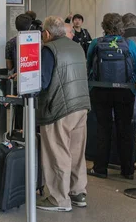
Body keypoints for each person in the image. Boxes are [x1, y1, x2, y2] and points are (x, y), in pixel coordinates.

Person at [35, 18, 90, 212]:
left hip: (58, 107)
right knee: (76, 152)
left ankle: (59, 199)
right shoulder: (77, 47)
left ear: (48, 34)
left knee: (57, 153)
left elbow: (42, 81)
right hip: (81, 105)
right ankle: (78, 192)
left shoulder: (49, 50)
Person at [87, 13, 136, 180]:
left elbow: (88, 65)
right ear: (121, 26)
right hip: (125, 91)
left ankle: (100, 168)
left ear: (104, 26)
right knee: (125, 128)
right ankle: (127, 169)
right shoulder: (129, 44)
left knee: (103, 128)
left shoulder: (96, 43)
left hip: (100, 91)